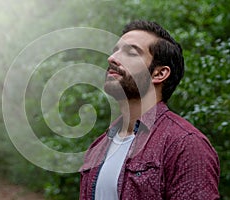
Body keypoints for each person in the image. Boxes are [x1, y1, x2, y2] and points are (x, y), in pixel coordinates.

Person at [79, 20, 220, 200]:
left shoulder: (185, 144)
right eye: (116, 50)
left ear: (159, 74)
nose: (112, 58)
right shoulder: (99, 146)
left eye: (131, 52)